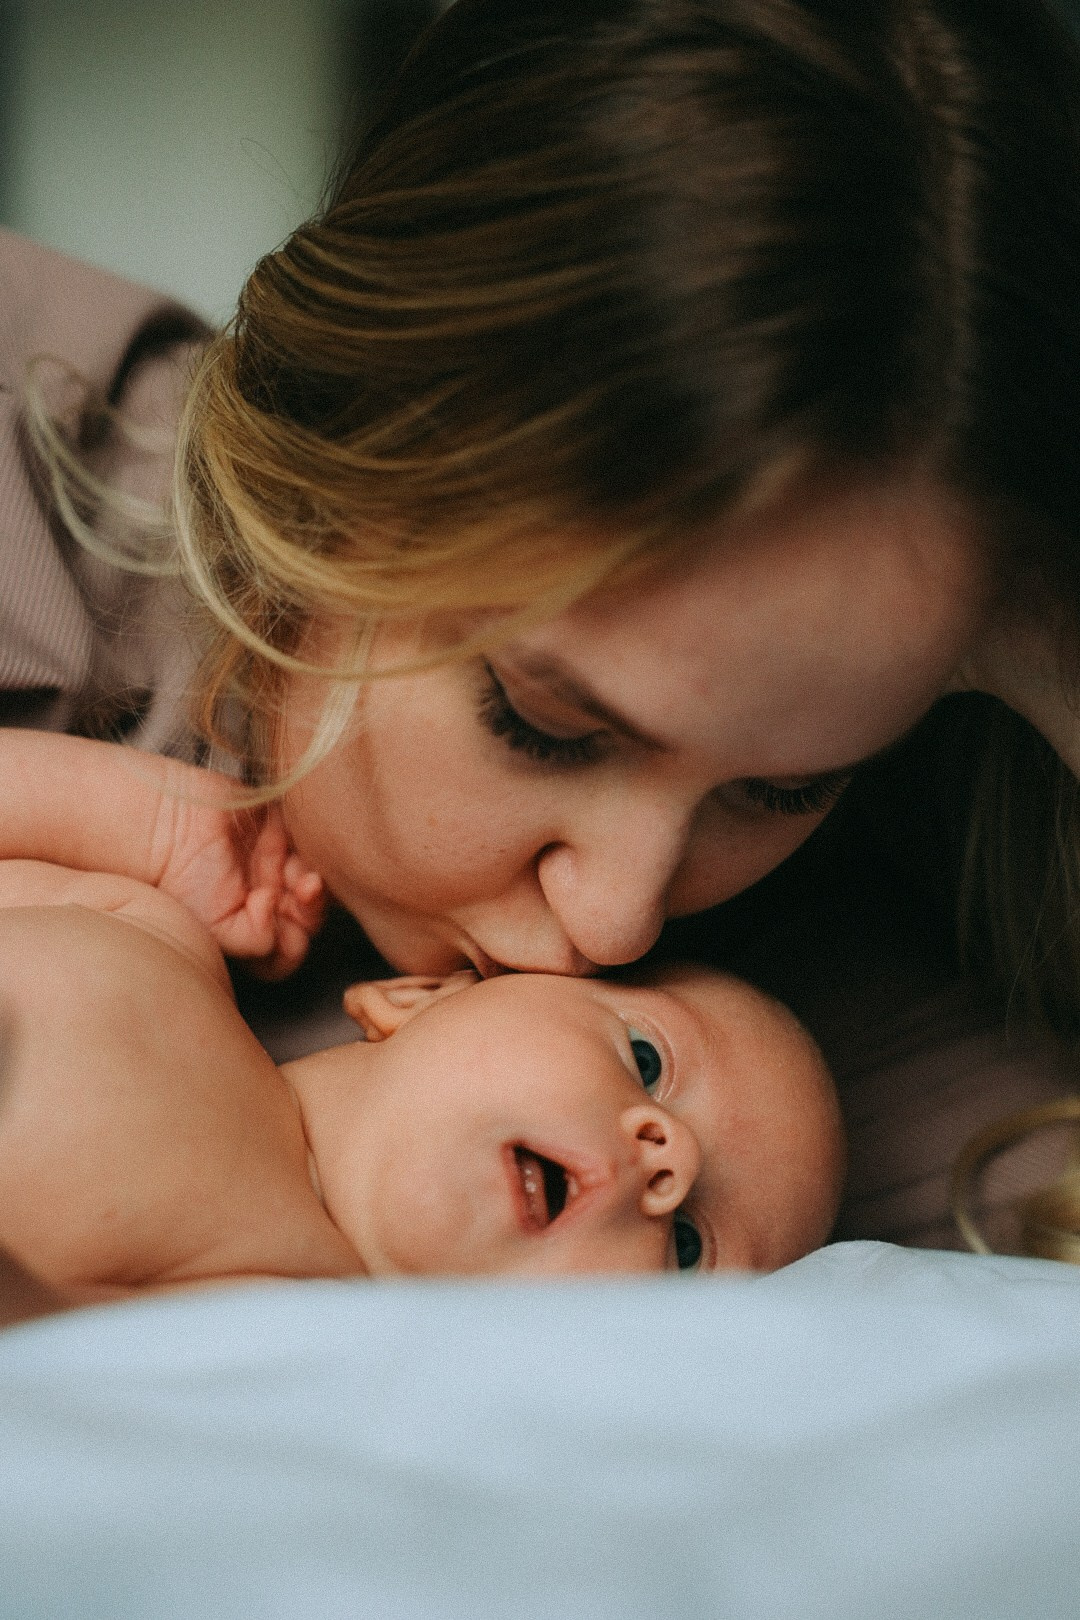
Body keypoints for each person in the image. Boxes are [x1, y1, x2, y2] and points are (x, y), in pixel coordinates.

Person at [6, 0, 1080, 1250]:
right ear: (337, 459)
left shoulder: (785, 1032)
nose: (621, 921)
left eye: (788, 789)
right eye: (544, 722)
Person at [0, 728, 842, 1301]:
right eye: (647, 1061)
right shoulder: (156, 935)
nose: (673, 1162)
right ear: (417, 997)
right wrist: (152, 822)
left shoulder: (281, 1342)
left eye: (690, 1254)